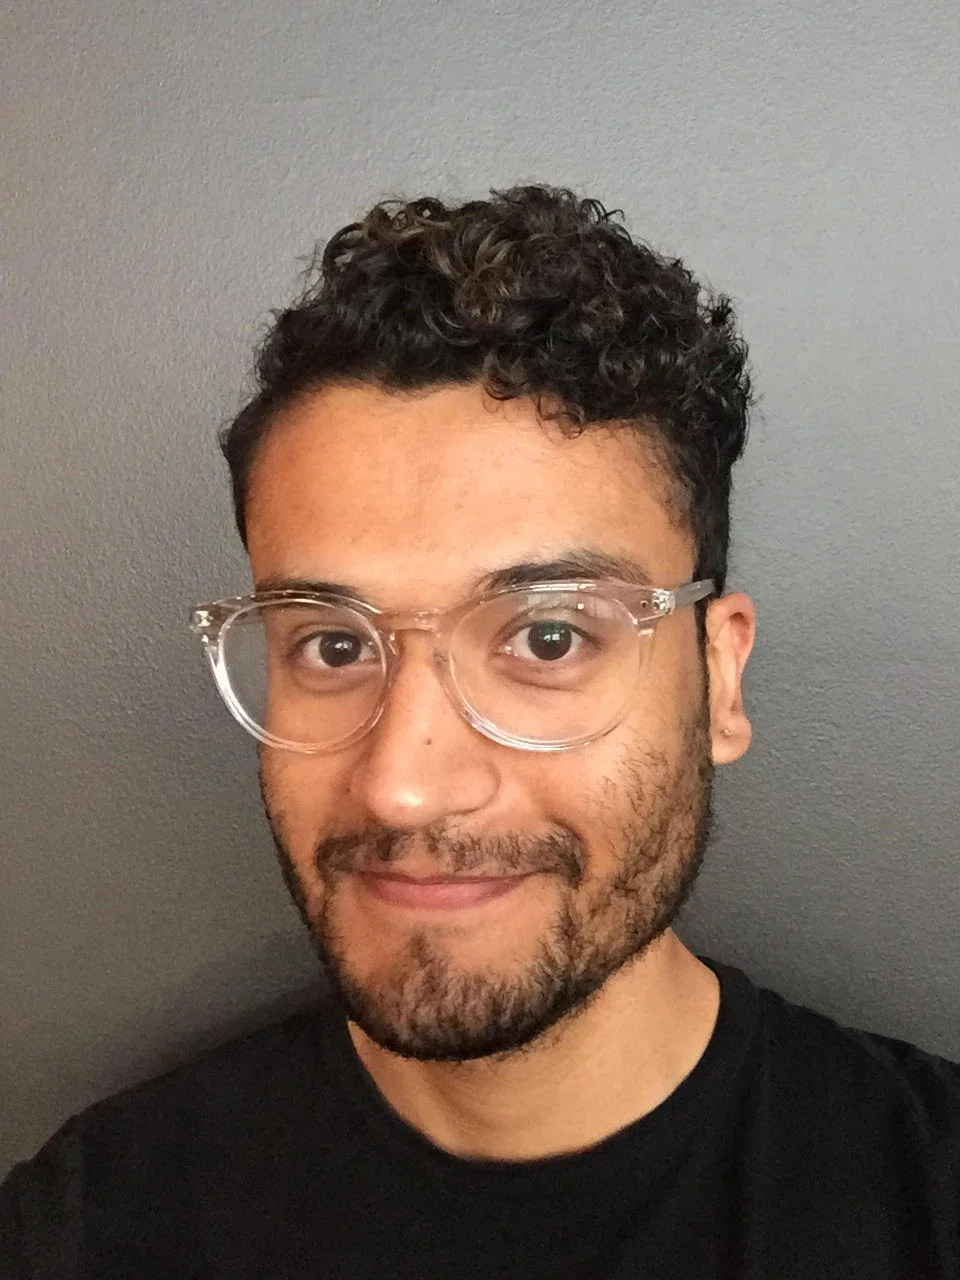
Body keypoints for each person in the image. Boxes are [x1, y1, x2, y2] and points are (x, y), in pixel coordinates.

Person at [2, 185, 958, 1279]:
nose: (402, 786)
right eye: (333, 644)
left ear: (719, 678)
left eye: (549, 637)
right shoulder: (91, 1228)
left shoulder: (924, 1205)